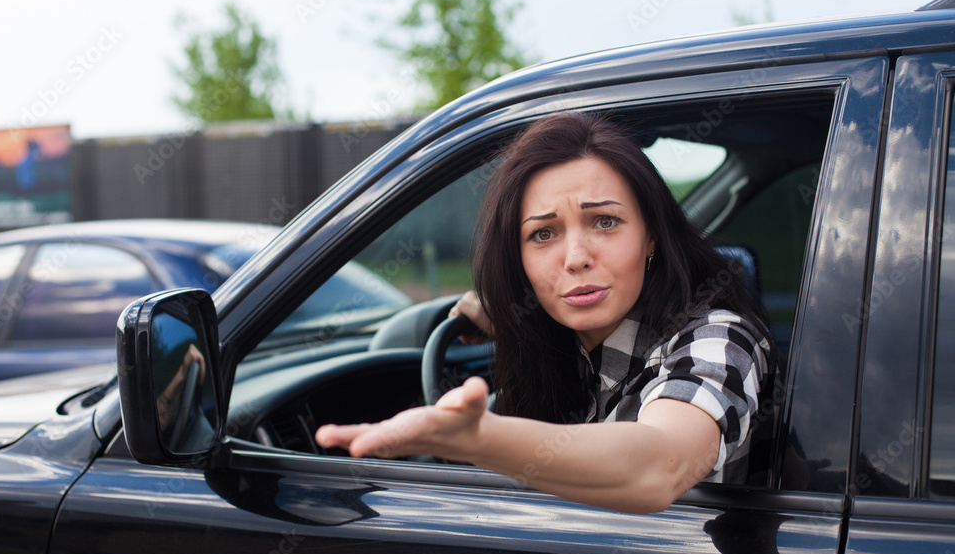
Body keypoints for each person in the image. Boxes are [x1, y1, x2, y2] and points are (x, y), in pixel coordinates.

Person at [315, 112, 777, 514]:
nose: (575, 257)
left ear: (652, 235)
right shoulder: (567, 342)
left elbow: (659, 465)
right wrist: (513, 320)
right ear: (517, 259)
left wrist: (480, 440)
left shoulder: (718, 339)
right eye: (543, 235)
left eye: (605, 222)